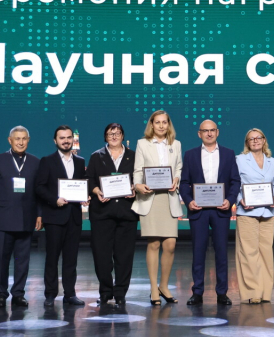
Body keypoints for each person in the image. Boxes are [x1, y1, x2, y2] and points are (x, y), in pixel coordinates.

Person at [180, 119, 241, 306]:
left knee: (221, 252)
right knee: (198, 252)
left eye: (212, 130)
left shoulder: (229, 154)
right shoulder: (190, 155)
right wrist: (189, 201)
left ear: (217, 132)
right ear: (199, 134)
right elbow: (184, 183)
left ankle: (222, 292)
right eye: (205, 131)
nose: (209, 133)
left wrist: (229, 200)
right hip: (198, 210)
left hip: (220, 210)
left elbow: (235, 181)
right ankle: (197, 292)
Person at [0, 125, 42, 308]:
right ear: (10, 140)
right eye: (17, 139)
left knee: (22, 260)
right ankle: (1, 294)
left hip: (26, 218)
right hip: (2, 218)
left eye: (24, 139)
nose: (21, 142)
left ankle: (18, 294)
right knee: (1, 259)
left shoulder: (35, 162)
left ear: (28, 140)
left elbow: (39, 192)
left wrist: (39, 214)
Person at [131, 110, 183, 305]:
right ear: (151, 125)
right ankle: (154, 288)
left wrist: (176, 178)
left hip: (169, 198)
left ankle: (164, 286)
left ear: (169, 125)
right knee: (153, 244)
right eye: (157, 122)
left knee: (170, 244)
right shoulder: (142, 144)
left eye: (164, 122)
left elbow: (178, 167)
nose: (161, 126)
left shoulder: (176, 144)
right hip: (150, 198)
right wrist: (138, 185)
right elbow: (138, 170)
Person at [34, 125, 87, 307]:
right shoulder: (47, 161)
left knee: (71, 258)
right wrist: (54, 200)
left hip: (74, 216)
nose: (66, 141)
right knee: (52, 258)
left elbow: (82, 184)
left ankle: (70, 294)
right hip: (54, 216)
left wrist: (85, 196)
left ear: (73, 139)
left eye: (68, 137)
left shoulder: (80, 161)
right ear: (55, 140)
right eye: (62, 138)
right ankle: (50, 294)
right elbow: (39, 187)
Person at [86, 123, 138, 307]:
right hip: (102, 213)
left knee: (124, 256)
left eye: (117, 133)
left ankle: (121, 292)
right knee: (102, 256)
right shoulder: (96, 156)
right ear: (105, 137)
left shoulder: (134, 156)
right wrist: (96, 190)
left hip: (127, 212)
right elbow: (89, 179)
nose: (114, 136)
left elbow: (140, 178)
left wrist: (134, 188)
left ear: (123, 136)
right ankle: (105, 292)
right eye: (110, 134)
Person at [235, 128, 274, 304]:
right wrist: (240, 199)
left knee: (266, 252)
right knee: (249, 253)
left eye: (258, 138)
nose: (255, 141)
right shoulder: (239, 160)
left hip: (267, 212)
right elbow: (234, 183)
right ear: (247, 143)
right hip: (247, 211)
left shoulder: (272, 161)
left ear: (264, 140)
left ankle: (265, 292)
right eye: (251, 139)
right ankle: (252, 292)